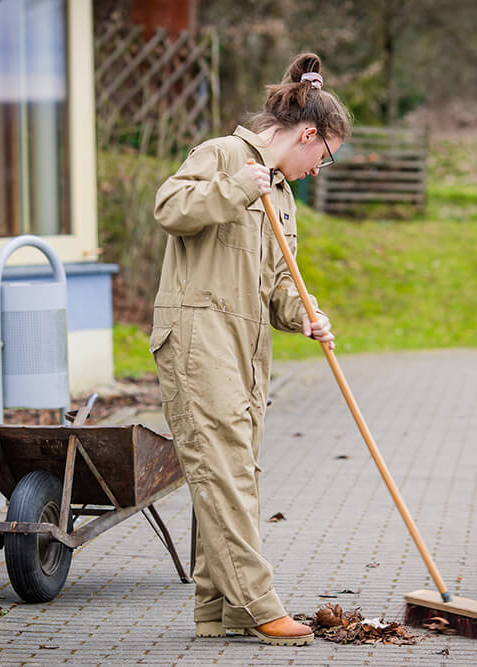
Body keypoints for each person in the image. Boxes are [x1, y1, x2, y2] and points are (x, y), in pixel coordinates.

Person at [150, 52, 351, 646]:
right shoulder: (222, 156)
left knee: (239, 474)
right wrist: (237, 187)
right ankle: (260, 603)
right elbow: (169, 208)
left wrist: (307, 313)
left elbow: (277, 282)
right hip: (197, 340)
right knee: (224, 474)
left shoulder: (284, 196)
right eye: (325, 154)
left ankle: (221, 611)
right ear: (308, 134)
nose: (321, 167)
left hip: (246, 348)